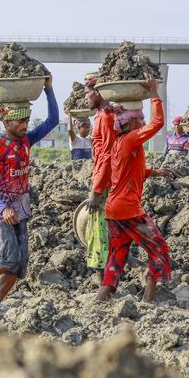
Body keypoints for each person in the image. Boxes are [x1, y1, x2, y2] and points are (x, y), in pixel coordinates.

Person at [0, 77, 59, 301]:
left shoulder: (26, 142)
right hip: (2, 213)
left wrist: (48, 90)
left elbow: (53, 120)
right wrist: (3, 207)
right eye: (21, 122)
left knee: (19, 266)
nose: (25, 125)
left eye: (27, 120)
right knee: (9, 258)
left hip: (21, 209)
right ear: (7, 122)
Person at [96, 79, 175, 304]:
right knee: (159, 248)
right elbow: (158, 123)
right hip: (128, 209)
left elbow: (127, 173)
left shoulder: (119, 143)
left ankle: (102, 297)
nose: (142, 121)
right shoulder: (131, 139)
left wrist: (154, 172)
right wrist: (153, 92)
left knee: (117, 254)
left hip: (113, 209)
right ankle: (149, 298)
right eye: (139, 118)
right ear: (130, 124)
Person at [84, 75, 114, 272]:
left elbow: (107, 154)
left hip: (104, 181)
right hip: (102, 177)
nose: (86, 97)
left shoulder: (105, 117)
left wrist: (96, 189)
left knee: (99, 228)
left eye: (87, 93)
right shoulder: (101, 116)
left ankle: (104, 275)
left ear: (97, 92)